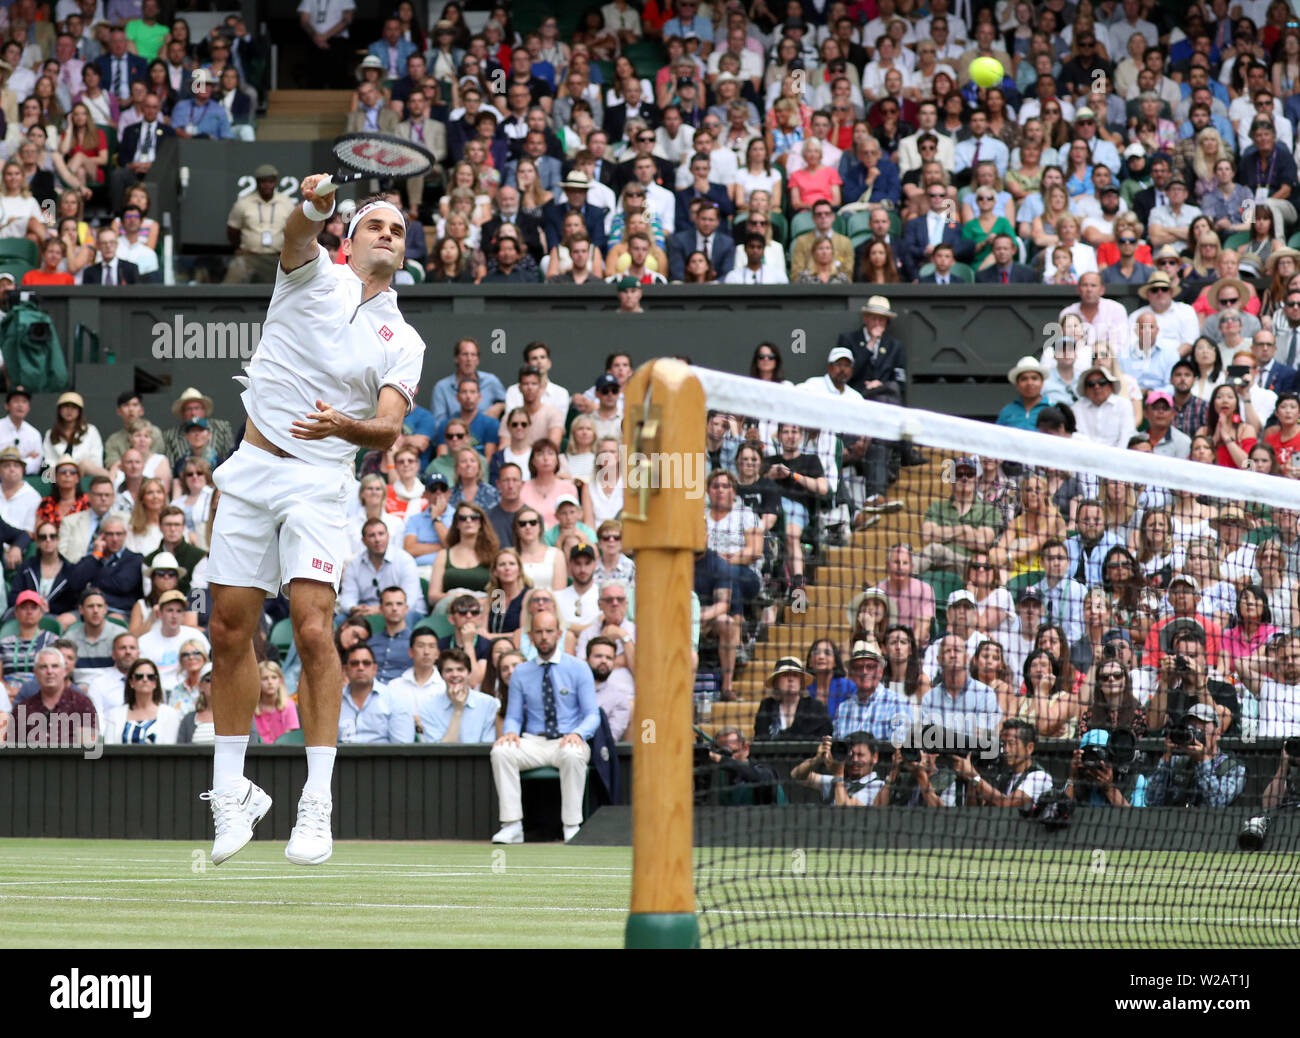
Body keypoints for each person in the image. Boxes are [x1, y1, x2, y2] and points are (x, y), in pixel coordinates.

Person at [201, 176, 426, 869]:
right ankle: (231, 791)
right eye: (375, 225)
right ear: (351, 239)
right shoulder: (309, 275)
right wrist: (315, 204)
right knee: (228, 629)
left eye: (397, 229)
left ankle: (316, 801)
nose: (387, 234)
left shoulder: (404, 338)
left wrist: (345, 425)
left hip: (322, 482)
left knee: (309, 626)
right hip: (252, 466)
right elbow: (296, 232)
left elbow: (387, 430)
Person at [490, 610, 598, 843]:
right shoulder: (521, 672)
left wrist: (578, 733)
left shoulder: (579, 668)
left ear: (559, 633)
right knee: (501, 751)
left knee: (572, 754)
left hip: (567, 739)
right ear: (530, 636)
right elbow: (514, 716)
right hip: (535, 741)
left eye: (549, 631)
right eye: (538, 632)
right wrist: (509, 732)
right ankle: (512, 825)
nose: (544, 636)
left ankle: (571, 826)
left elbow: (592, 715)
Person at [1144, 702, 1245, 807]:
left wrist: (1203, 762)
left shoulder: (1233, 768)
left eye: (1202, 730)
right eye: (1192, 730)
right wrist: (1165, 759)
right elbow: (1151, 801)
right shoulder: (1176, 762)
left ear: (1217, 733)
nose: (1196, 736)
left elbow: (1217, 803)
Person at [954, 718, 1053, 808]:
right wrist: (971, 779)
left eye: (1011, 743)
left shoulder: (1039, 777)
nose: (1006, 749)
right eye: (1004, 744)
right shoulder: (1003, 777)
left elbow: (1007, 804)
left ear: (1029, 748)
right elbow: (976, 810)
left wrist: (974, 776)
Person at [921, 633, 1003, 739]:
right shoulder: (929, 699)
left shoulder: (985, 695)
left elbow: (984, 738)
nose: (953, 655)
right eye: (947, 651)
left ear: (967, 658)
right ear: (939, 660)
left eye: (958, 651)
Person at [224, 163, 295, 284]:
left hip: (278, 257)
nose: (267, 185)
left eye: (270, 181)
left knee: (291, 286)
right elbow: (233, 231)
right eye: (263, 182)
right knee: (230, 285)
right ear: (257, 182)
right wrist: (243, 247)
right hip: (249, 257)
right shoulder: (244, 203)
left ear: (275, 182)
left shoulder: (286, 202)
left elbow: (294, 231)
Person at [833, 638, 912, 741]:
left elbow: (899, 751)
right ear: (851, 674)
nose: (864, 672)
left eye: (870, 667)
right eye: (858, 667)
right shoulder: (842, 709)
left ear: (880, 671)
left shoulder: (898, 704)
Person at [16, 646, 97, 747]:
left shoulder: (82, 704)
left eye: (55, 666)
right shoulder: (23, 709)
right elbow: (13, 751)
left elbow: (89, 747)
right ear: (35, 673)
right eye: (43, 667)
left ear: (64, 671)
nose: (49, 671)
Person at [337, 641, 415, 744]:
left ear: (375, 669)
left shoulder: (395, 699)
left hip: (384, 759)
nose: (360, 667)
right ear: (345, 670)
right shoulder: (334, 701)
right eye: (354, 663)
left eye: (366, 663)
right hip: (341, 759)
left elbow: (403, 747)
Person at [417, 646, 497, 743]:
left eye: (460, 669)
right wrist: (458, 710)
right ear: (441, 675)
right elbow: (440, 752)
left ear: (469, 673)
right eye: (449, 670)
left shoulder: (488, 703)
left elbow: (487, 746)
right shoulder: (428, 706)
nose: (455, 674)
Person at [103, 656, 182, 744]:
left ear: (155, 683)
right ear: (131, 682)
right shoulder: (115, 715)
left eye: (150, 677)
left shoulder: (170, 714)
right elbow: (110, 750)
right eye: (139, 676)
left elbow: (171, 751)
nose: (145, 679)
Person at [753, 656, 832, 741]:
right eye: (785, 675)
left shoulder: (816, 708)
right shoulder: (767, 707)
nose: (791, 679)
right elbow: (760, 740)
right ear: (776, 682)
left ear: (801, 682)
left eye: (795, 675)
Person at [702, 726, 781, 806]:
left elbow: (756, 776)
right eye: (724, 754)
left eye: (733, 752)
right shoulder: (716, 776)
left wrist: (722, 760)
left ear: (746, 748)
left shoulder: (765, 772)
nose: (731, 758)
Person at [586, 635, 632, 740]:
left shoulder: (619, 700)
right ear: (587, 659)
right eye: (598, 656)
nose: (604, 661)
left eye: (609, 658)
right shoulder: (572, 691)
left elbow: (610, 739)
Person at [997, 356, 1050, 430]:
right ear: (1017, 385)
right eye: (1024, 379)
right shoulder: (1007, 411)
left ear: (1042, 383)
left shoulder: (1052, 409)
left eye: (1034, 378)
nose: (1029, 383)